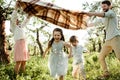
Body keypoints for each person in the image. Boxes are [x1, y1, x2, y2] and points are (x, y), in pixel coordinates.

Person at [82, 0, 120, 78]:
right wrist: (86, 24)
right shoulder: (104, 17)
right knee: (101, 57)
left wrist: (92, 13)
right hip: (108, 40)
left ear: (110, 6)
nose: (103, 8)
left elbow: (102, 15)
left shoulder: (111, 13)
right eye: (102, 6)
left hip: (116, 37)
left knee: (119, 57)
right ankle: (106, 74)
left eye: (105, 6)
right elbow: (95, 22)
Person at [10, 2, 32, 75]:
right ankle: (15, 76)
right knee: (18, 61)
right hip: (19, 44)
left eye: (17, 20)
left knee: (24, 61)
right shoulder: (13, 27)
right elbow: (13, 17)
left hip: (24, 44)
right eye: (16, 20)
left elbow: (26, 21)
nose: (17, 20)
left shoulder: (20, 26)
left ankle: (22, 75)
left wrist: (29, 15)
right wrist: (16, 8)